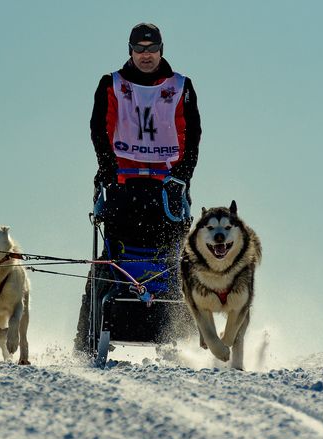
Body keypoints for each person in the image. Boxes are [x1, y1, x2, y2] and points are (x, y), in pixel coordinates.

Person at [73, 22, 202, 354]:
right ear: (130, 51)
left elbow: (192, 136)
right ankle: (85, 340)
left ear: (162, 50)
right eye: (140, 49)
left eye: (152, 48)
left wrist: (182, 177)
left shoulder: (181, 87)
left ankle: (188, 337)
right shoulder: (112, 85)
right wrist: (108, 169)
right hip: (123, 185)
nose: (146, 55)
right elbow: (99, 129)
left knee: (178, 261)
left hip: (166, 188)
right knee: (110, 260)